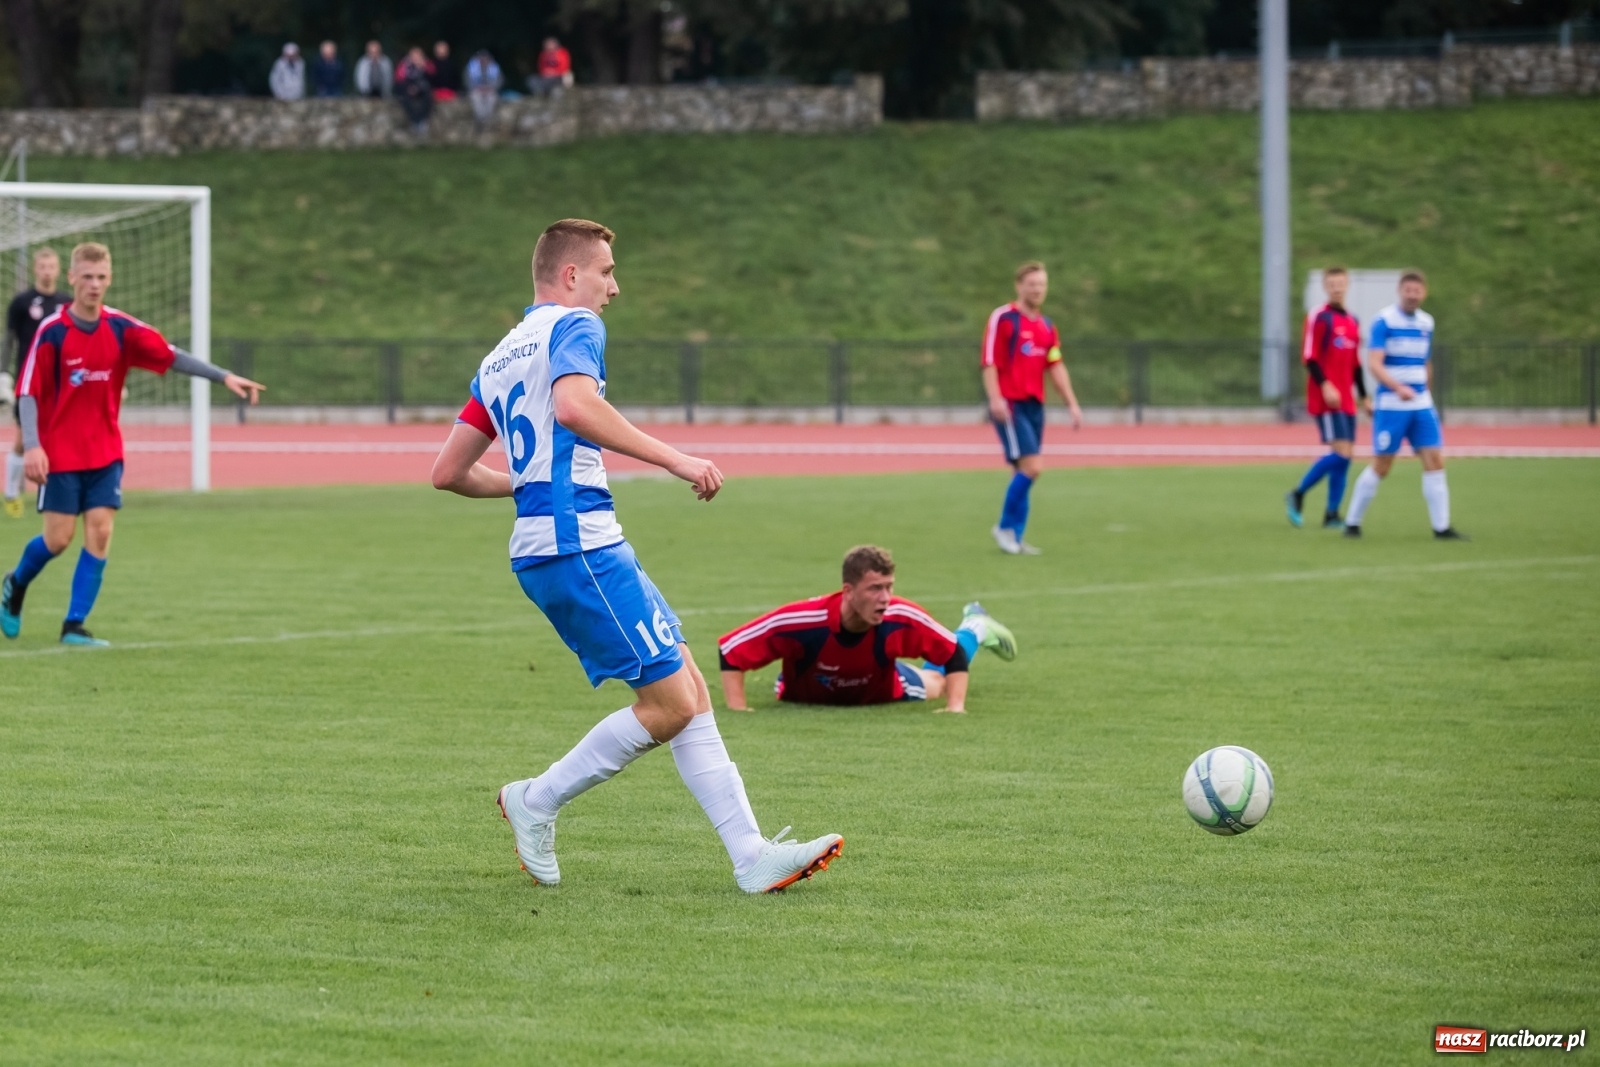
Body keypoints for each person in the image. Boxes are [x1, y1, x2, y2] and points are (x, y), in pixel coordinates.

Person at [430, 218, 843, 895]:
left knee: (688, 685)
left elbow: (448, 471)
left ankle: (750, 853)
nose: (614, 287)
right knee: (673, 703)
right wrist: (676, 458)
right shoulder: (576, 327)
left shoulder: (500, 355)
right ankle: (538, 797)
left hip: (562, 546)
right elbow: (573, 407)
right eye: (606, 272)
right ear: (570, 276)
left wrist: (529, 484)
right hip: (580, 546)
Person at [2, 242, 266, 647]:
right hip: (60, 455)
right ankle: (14, 586)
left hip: (105, 453)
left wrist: (222, 376)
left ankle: (74, 625)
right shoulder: (52, 331)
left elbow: (171, 356)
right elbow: (27, 392)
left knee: (102, 532)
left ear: (110, 279)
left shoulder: (121, 327)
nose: (94, 285)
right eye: (87, 277)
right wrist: (34, 445)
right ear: (72, 278)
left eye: (101, 277)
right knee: (58, 540)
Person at [718, 545, 1017, 714]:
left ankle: (974, 627)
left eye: (889, 587)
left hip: (883, 688)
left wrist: (955, 707)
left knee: (937, 681)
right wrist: (738, 709)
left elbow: (952, 653)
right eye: (875, 589)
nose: (885, 598)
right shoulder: (801, 620)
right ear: (848, 590)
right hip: (808, 688)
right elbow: (731, 651)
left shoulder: (900, 614)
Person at [1342, 270, 1467, 541]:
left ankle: (1441, 527)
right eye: (1408, 290)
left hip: (1421, 405)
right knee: (1383, 465)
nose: (1412, 295)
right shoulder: (1384, 321)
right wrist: (1397, 387)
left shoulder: (1426, 322)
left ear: (1424, 293)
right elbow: (1374, 362)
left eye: (1417, 290)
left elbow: (1426, 361)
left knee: (1434, 460)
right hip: (1392, 405)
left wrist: (1427, 393)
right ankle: (1352, 522)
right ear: (1400, 291)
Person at [981, 261, 1083, 555]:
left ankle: (1016, 535)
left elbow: (1055, 365)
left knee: (1023, 471)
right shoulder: (1004, 318)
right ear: (1019, 286)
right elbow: (989, 360)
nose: (1037, 289)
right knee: (1033, 468)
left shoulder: (1046, 326)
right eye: (1032, 284)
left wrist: (1071, 403)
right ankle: (1003, 527)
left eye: (1041, 284)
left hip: (1034, 405)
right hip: (1010, 403)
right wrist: (995, 397)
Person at [1286, 266, 1369, 530]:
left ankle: (1332, 513)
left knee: (1346, 456)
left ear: (1347, 285)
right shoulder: (1319, 317)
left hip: (1347, 398)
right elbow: (1309, 356)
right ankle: (1297, 493)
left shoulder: (1353, 320)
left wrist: (1365, 396)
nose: (1337, 288)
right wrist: (1325, 385)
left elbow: (1356, 364)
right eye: (1332, 284)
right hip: (1327, 398)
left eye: (1341, 283)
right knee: (1342, 454)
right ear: (1325, 286)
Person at [4, 247, 70, 518]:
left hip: (60, 382)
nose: (47, 271)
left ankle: (57, 490)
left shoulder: (67, 302)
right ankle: (11, 493)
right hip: (28, 381)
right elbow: (8, 339)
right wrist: (2, 373)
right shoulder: (21, 302)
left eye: (51, 266)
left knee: (59, 437)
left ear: (58, 270)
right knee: (23, 439)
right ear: (35, 270)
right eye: (42, 266)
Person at [395, 48, 434, 134]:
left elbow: (432, 80)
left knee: (428, 98)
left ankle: (422, 121)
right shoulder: (404, 66)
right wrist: (409, 88)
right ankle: (415, 121)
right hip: (407, 90)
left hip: (423, 90)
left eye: (418, 55)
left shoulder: (427, 65)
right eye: (413, 56)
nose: (415, 58)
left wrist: (424, 67)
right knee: (405, 100)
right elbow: (399, 81)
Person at [465, 49, 503, 123]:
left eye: (486, 58)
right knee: (476, 99)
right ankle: (480, 118)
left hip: (490, 91)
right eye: (481, 58)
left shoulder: (495, 68)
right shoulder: (471, 68)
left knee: (492, 99)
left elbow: (500, 81)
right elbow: (467, 81)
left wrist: (491, 88)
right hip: (476, 90)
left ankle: (488, 119)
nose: (483, 60)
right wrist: (477, 88)